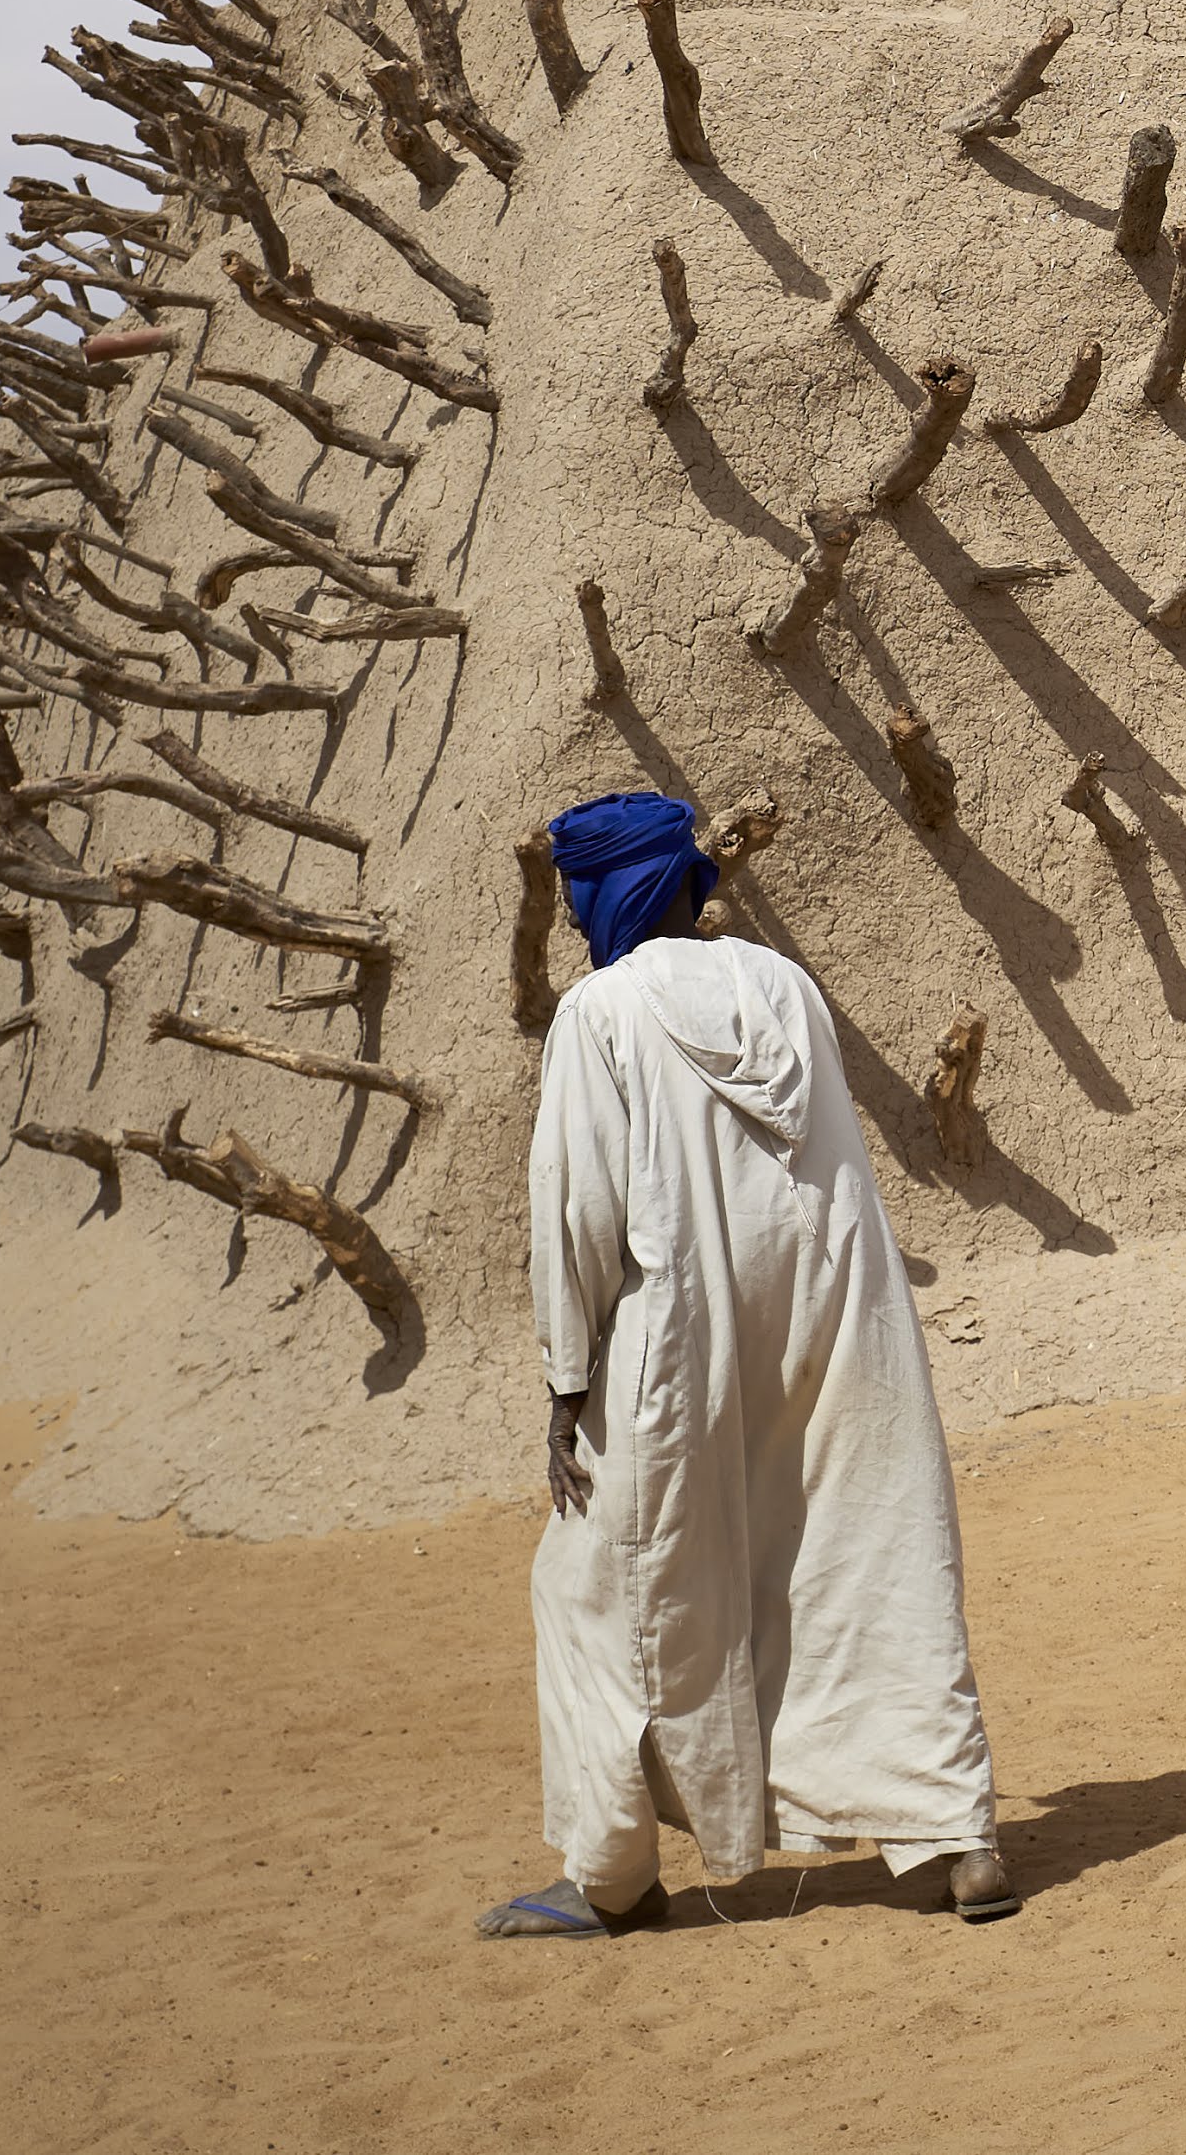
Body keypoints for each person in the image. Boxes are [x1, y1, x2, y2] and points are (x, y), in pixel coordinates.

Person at [481, 791, 1008, 1938]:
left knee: (590, 1582)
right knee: (864, 1549)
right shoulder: (781, 982)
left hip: (682, 1330)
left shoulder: (600, 1012)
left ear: (598, 898)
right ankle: (954, 1833)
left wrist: (566, 1377)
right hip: (837, 1311)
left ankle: (611, 1874)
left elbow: (576, 1204)